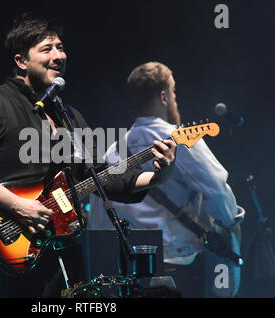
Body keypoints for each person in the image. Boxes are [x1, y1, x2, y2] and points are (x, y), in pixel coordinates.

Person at [0, 18, 176, 298]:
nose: (59, 55)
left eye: (61, 48)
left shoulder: (69, 116)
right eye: (47, 48)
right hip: (18, 246)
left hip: (67, 247)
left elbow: (102, 176)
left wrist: (158, 176)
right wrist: (19, 206)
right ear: (21, 61)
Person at [88, 61, 244, 298]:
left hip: (132, 272)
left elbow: (99, 217)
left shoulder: (113, 150)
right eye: (173, 93)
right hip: (178, 266)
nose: (174, 99)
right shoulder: (180, 138)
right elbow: (217, 188)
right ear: (164, 96)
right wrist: (231, 227)